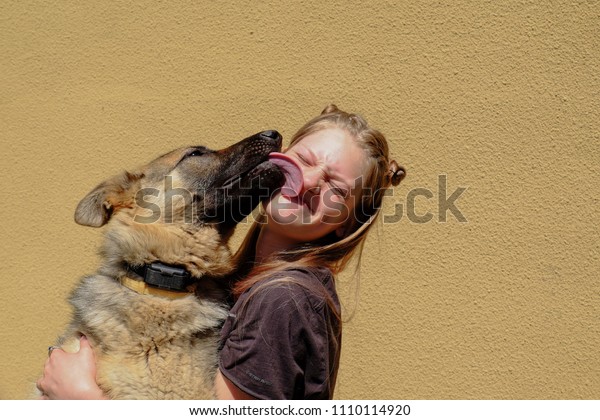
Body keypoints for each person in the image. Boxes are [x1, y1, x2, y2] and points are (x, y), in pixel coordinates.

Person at [36, 104, 405, 400]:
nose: (307, 181)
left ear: (346, 221)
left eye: (336, 189)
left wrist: (84, 400)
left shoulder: (281, 299)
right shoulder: (242, 285)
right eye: (304, 160)